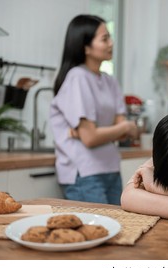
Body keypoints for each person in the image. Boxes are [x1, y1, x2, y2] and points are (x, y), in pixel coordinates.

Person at [50, 15, 138, 205]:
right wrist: (119, 128)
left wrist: (101, 131)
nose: (111, 43)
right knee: (97, 232)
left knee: (122, 230)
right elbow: (91, 138)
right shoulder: (77, 78)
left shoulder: (110, 81)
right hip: (85, 173)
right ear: (86, 47)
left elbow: (125, 133)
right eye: (104, 38)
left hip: (111, 169)